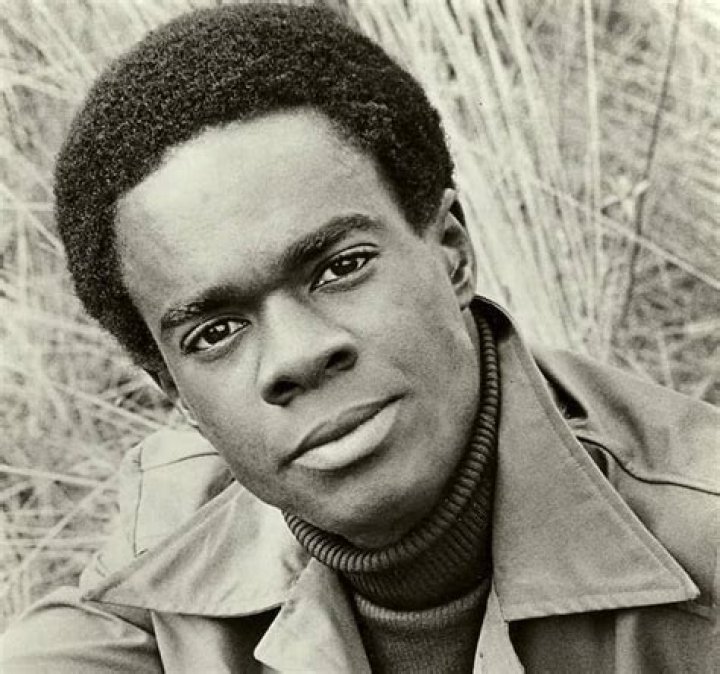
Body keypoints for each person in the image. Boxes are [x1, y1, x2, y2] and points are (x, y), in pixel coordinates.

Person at [2, 4, 717, 672]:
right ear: (177, 394)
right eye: (215, 332)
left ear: (452, 253)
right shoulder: (166, 538)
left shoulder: (702, 538)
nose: (298, 356)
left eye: (341, 268)